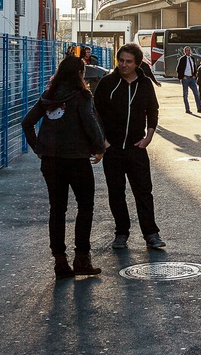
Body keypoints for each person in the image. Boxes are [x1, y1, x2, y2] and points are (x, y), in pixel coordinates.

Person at [22, 55, 108, 278]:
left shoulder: (48, 96)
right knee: (85, 207)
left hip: (50, 161)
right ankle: (82, 258)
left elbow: (27, 122)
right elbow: (90, 123)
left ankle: (60, 262)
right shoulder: (81, 96)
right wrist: (100, 147)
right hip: (77, 160)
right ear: (80, 74)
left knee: (57, 209)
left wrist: (38, 148)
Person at [94, 43, 165, 249]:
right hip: (113, 149)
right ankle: (121, 233)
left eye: (129, 61)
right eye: (121, 60)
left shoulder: (144, 84)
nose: (124, 65)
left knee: (143, 192)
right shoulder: (107, 83)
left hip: (136, 147)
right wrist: (104, 142)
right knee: (116, 192)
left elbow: (153, 111)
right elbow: (95, 114)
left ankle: (151, 234)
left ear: (137, 63)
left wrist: (148, 137)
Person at [176, 46, 201, 114]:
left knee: (196, 93)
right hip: (185, 78)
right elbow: (178, 69)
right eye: (187, 51)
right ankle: (187, 109)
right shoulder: (182, 59)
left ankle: (199, 108)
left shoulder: (192, 58)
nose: (188, 52)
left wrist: (194, 75)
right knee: (185, 94)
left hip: (192, 78)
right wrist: (182, 77)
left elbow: (194, 67)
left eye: (189, 50)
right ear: (184, 52)